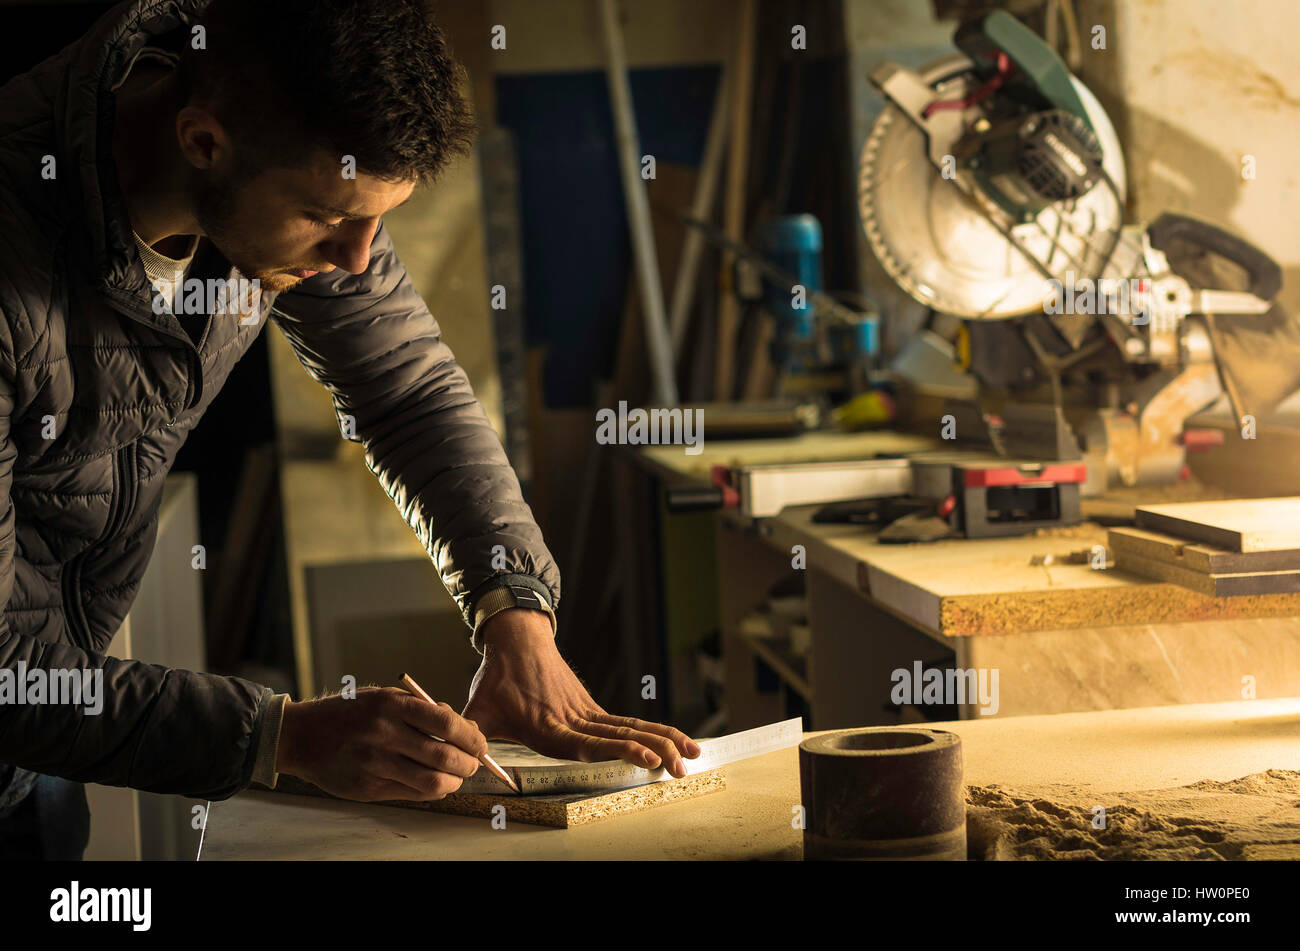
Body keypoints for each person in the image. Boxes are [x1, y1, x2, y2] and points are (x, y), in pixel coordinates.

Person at [0, 0, 698, 859]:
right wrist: (283, 737)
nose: (360, 258)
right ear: (202, 141)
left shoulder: (274, 165)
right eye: (334, 218)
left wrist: (514, 613)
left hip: (46, 732)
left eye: (379, 220)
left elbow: (406, 391)